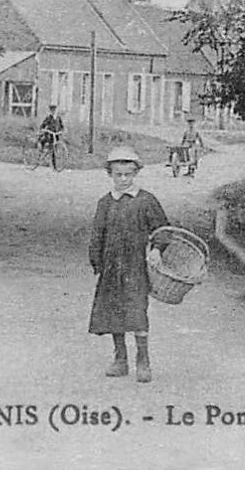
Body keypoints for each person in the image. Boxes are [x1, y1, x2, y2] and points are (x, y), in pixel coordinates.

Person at [87, 145, 168, 383]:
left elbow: (163, 229)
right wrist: (97, 261)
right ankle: (120, 359)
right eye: (118, 174)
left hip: (136, 267)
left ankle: (143, 361)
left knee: (137, 311)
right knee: (114, 312)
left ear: (136, 173)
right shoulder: (105, 203)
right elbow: (97, 234)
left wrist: (156, 248)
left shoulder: (146, 201)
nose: (123, 179)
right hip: (112, 268)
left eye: (128, 174)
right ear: (109, 174)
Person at [38, 104, 65, 171]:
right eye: (52, 110)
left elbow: (62, 126)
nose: (53, 111)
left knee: (54, 151)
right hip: (49, 135)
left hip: (56, 136)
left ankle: (55, 167)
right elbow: (43, 125)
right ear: (50, 111)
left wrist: (62, 131)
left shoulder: (58, 118)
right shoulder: (48, 118)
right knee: (44, 142)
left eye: (54, 110)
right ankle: (40, 151)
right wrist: (44, 129)